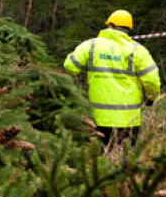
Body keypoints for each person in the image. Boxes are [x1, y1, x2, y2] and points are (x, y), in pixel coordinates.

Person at [64, 10, 160, 146]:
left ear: (110, 25)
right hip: (129, 120)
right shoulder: (138, 50)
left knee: (98, 161)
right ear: (128, 29)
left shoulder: (91, 45)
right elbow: (152, 80)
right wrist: (152, 98)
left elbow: (69, 67)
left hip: (97, 119)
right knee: (124, 162)